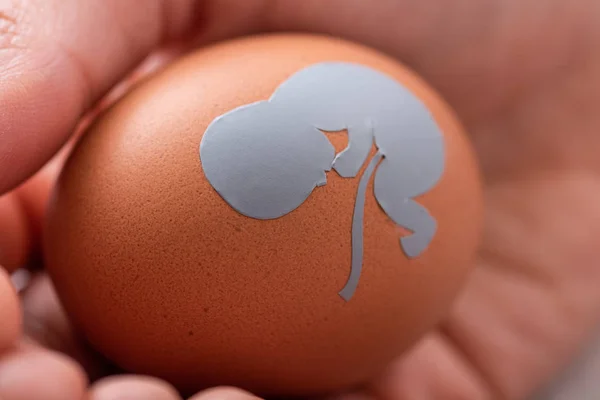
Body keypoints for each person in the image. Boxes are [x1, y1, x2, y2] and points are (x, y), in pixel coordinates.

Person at [1, 0, 599, 399]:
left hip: (418, 151)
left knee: (391, 194)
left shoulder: (317, 102)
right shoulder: (301, 109)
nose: (319, 184)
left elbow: (368, 132)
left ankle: (410, 227)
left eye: (307, 178)